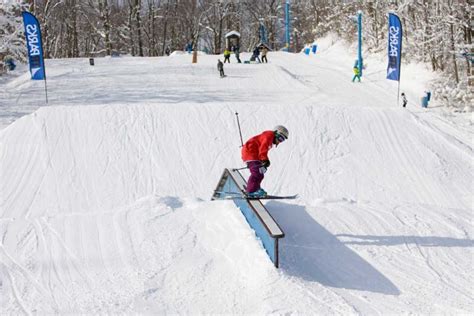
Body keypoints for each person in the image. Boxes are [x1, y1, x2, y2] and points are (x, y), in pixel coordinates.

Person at [241, 125, 289, 198]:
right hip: (251, 152)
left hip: (253, 154)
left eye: (282, 140)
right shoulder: (268, 136)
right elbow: (263, 149)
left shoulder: (269, 138)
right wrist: (265, 160)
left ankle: (255, 188)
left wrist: (263, 163)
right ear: (276, 133)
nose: (279, 141)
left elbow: (261, 150)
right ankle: (251, 191)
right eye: (280, 138)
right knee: (257, 173)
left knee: (260, 173)